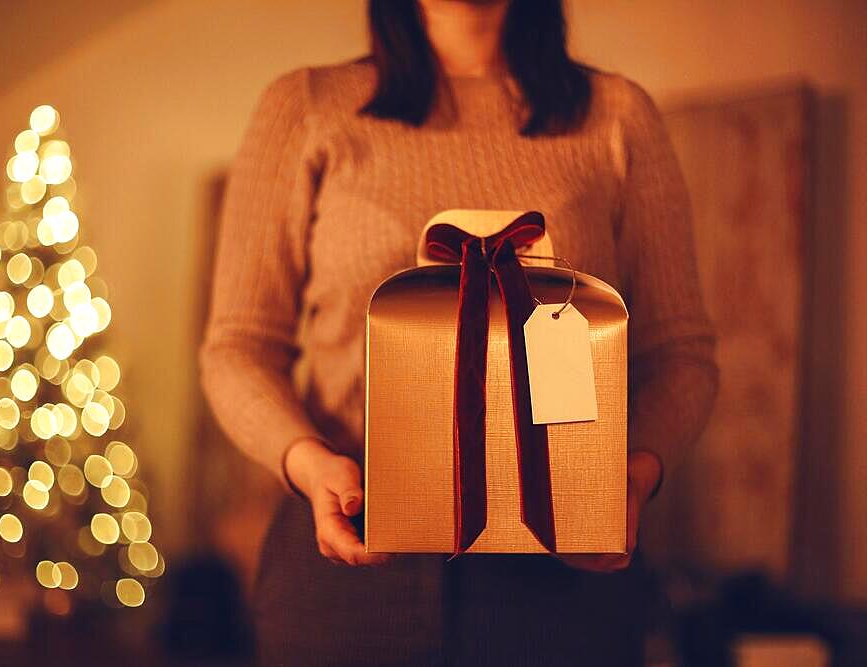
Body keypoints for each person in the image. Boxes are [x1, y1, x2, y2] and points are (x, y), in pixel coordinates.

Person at [200, 0, 718, 664]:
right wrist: (306, 460)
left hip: (564, 570)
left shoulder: (616, 115)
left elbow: (680, 355)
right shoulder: (307, 107)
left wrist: (635, 474)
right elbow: (238, 345)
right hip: (347, 558)